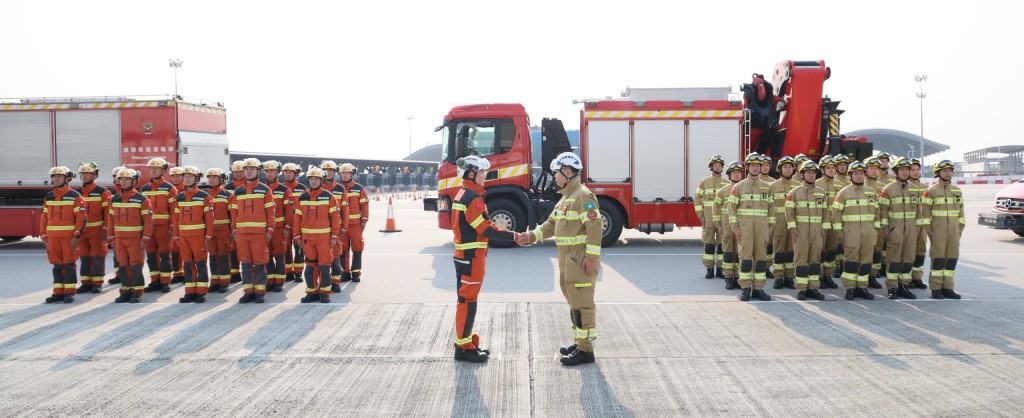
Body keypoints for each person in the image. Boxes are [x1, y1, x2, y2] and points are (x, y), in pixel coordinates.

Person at [519, 152, 602, 366]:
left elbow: (595, 227)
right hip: (568, 260)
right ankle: (579, 342)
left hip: (580, 259)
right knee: (574, 303)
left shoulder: (583, 196)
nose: (554, 176)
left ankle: (586, 351)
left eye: (556, 172)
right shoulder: (567, 198)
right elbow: (550, 224)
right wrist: (530, 237)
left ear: (567, 171)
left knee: (583, 305)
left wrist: (592, 257)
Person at [450, 156, 517, 363]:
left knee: (467, 300)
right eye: (482, 173)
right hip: (472, 258)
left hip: (465, 257)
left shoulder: (463, 194)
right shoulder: (473, 199)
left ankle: (467, 342)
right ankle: (463, 348)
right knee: (467, 302)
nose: (485, 178)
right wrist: (515, 236)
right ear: (471, 173)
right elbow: (487, 230)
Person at [727, 152, 775, 302]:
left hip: (762, 229)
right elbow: (731, 208)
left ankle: (759, 289)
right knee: (746, 259)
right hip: (745, 229)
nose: (755, 168)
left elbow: (772, 208)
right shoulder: (738, 187)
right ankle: (746, 289)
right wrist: (735, 227)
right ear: (747, 167)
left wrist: (771, 225)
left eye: (758, 165)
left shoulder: (767, 187)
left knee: (761, 259)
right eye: (752, 165)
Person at [292, 167, 342, 303]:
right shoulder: (302, 198)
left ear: (322, 180)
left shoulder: (329, 197)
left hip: (324, 239)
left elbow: (335, 219)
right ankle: (312, 291)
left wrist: (334, 237)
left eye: (316, 179)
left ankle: (325, 292)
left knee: (324, 267)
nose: (313, 181)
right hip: (307, 240)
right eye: (311, 179)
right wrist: (297, 236)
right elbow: (297, 219)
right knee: (309, 267)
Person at [832, 161, 879, 300]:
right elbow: (836, 213)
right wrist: (839, 232)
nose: (859, 176)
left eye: (861, 173)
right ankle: (850, 288)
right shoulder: (844, 192)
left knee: (866, 261)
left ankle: (862, 287)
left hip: (868, 232)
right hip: (850, 232)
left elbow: (877, 213)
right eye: (856, 174)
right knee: (851, 260)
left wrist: (875, 230)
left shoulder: (871, 192)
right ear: (850, 175)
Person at [230, 158, 275, 304]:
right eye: (246, 169)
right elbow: (234, 213)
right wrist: (234, 230)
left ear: (258, 171)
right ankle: (248, 291)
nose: (248, 171)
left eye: (252, 169)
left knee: (260, 263)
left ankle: (260, 292)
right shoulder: (239, 191)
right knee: (245, 263)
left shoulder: (264, 190)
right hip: (242, 233)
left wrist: (270, 230)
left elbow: (270, 212)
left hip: (259, 233)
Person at [918, 160, 964, 299]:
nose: (948, 173)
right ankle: (936, 288)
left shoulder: (957, 190)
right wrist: (928, 229)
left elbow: (961, 211)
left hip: (954, 230)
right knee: (938, 259)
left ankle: (948, 287)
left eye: (950, 170)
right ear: (937, 173)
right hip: (937, 230)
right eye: (944, 171)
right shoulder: (930, 191)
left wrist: (960, 228)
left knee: (952, 259)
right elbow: (925, 212)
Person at [40, 166, 86, 303]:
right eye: (53, 177)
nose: (55, 179)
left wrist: (77, 236)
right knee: (57, 265)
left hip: (68, 237)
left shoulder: (75, 196)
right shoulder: (49, 196)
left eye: (59, 176)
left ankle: (69, 292)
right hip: (52, 237)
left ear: (67, 179)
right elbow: (44, 216)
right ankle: (58, 292)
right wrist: (43, 234)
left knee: (69, 264)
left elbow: (82, 218)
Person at [107, 169, 153, 303]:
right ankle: (125, 291)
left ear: (134, 181)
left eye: (127, 179)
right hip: (120, 239)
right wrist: (110, 237)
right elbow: (110, 219)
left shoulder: (142, 200)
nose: (123, 182)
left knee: (135, 265)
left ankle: (137, 292)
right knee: (122, 266)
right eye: (121, 179)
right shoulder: (115, 199)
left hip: (135, 239)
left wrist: (145, 238)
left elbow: (148, 222)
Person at [786, 161, 828, 301]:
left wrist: (823, 228)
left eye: (813, 173)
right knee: (801, 260)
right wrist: (792, 228)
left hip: (816, 232)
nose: (811, 175)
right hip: (801, 232)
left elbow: (826, 212)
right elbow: (789, 212)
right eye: (808, 172)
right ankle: (802, 289)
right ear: (802, 174)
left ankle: (813, 288)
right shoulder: (794, 193)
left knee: (815, 260)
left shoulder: (821, 193)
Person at [172, 166, 215, 303]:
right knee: (187, 264)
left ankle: (201, 292)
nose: (187, 179)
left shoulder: (204, 197)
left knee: (200, 264)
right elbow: (176, 218)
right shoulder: (179, 197)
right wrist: (176, 236)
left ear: (196, 179)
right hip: (184, 236)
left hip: (198, 236)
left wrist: (208, 237)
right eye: (185, 177)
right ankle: (189, 292)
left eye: (190, 176)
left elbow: (210, 219)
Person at [878, 157, 919, 300]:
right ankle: (892, 287)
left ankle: (904, 286)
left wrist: (917, 227)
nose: (905, 172)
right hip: (895, 230)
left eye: (907, 169)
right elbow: (882, 211)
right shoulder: (888, 189)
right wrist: (885, 228)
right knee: (893, 259)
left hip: (911, 230)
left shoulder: (914, 189)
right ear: (896, 171)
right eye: (902, 169)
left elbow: (918, 211)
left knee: (908, 259)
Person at [140, 157, 179, 293]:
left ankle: (165, 282)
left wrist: (172, 228)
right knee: (151, 255)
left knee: (164, 254)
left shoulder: (170, 189)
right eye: (151, 168)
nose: (153, 171)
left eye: (156, 168)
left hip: (164, 227)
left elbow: (174, 210)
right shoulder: (144, 188)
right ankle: (154, 280)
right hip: (149, 228)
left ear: (163, 170)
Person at [75, 162, 111, 294]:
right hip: (82, 231)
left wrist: (106, 229)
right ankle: (86, 282)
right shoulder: (77, 193)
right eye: (82, 174)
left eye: (87, 174)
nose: (84, 176)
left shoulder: (102, 192)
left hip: (97, 230)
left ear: (95, 175)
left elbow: (108, 212)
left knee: (97, 256)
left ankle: (97, 283)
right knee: (84, 256)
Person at [695, 155, 731, 279]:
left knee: (722, 244)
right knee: (709, 243)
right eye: (715, 165)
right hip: (708, 218)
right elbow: (697, 198)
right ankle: (709, 269)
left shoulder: (727, 183)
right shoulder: (704, 182)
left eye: (720, 165)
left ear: (722, 168)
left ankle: (720, 269)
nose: (717, 167)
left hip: (722, 219)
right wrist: (701, 215)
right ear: (711, 167)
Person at [262, 161, 294, 292]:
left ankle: (280, 281)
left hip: (279, 229)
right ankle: (270, 280)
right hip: (264, 229)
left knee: (280, 255)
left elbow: (289, 211)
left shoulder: (284, 190)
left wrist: (287, 228)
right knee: (267, 256)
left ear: (277, 172)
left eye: (272, 171)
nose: (269, 174)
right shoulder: (261, 189)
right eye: (267, 171)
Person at [319, 160, 350, 291]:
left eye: (330, 170)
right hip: (320, 229)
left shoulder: (340, 189)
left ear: (334, 172)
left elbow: (345, 211)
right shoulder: (317, 189)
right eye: (325, 170)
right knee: (322, 258)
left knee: (336, 256)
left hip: (335, 229)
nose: (328, 172)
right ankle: (324, 283)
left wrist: (343, 227)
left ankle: (336, 282)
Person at [713, 161, 744, 290]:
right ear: (729, 174)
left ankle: (737, 277)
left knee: (739, 253)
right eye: (734, 173)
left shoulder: (745, 189)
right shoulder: (723, 191)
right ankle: (728, 278)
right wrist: (718, 225)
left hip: (742, 226)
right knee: (728, 253)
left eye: (738, 173)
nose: (736, 175)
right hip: (726, 226)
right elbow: (715, 207)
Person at [770, 156, 798, 289]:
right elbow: (768, 207)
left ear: (794, 168)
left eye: (790, 166)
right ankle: (778, 277)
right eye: (785, 166)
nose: (787, 169)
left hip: (794, 224)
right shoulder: (773, 186)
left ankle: (789, 277)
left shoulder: (798, 186)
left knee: (791, 251)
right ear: (780, 169)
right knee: (779, 251)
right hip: (779, 223)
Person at [339, 163, 370, 282]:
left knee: (357, 248)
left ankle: (356, 272)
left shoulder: (359, 188)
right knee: (343, 249)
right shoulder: (338, 189)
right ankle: (345, 272)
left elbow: (364, 205)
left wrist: (364, 220)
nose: (345, 175)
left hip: (355, 225)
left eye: (347, 173)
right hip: (342, 225)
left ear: (352, 174)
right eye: (342, 173)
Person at [814, 156, 840, 289]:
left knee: (831, 251)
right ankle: (819, 276)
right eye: (828, 168)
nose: (831, 170)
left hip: (834, 224)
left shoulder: (840, 185)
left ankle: (828, 276)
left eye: (833, 168)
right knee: (820, 250)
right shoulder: (816, 184)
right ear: (822, 169)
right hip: (820, 224)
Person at [206, 168, 233, 293]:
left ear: (221, 179)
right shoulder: (205, 195)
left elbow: (232, 214)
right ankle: (215, 281)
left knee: (223, 256)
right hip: (210, 232)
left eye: (214, 177)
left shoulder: (228, 195)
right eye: (210, 177)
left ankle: (224, 282)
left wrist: (233, 230)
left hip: (224, 230)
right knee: (212, 257)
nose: (211, 180)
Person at [282, 163, 308, 283]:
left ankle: (298, 272)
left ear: (295, 174)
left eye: (290, 172)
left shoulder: (302, 189)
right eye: (286, 172)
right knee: (286, 249)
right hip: (285, 224)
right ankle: (288, 272)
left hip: (299, 223)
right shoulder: (280, 188)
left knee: (298, 248)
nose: (288, 174)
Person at [906, 158, 930, 290]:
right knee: (909, 251)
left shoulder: (926, 188)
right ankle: (907, 278)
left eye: (917, 170)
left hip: (922, 226)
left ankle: (917, 277)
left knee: (921, 251)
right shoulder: (905, 187)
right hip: (909, 225)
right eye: (912, 170)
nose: (915, 172)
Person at [863, 157, 886, 289]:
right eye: (871, 168)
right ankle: (862, 278)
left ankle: (872, 276)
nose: (874, 171)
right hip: (863, 225)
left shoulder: (883, 188)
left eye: (876, 168)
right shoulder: (857, 186)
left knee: (877, 251)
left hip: (878, 226)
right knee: (863, 252)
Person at [225, 160, 246, 283]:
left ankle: (248, 273)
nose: (238, 174)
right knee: (233, 249)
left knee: (244, 250)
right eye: (235, 172)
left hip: (244, 222)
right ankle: (234, 273)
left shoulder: (248, 186)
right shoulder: (228, 188)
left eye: (240, 171)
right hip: (231, 221)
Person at [166, 166, 187, 284]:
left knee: (185, 251)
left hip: (185, 223)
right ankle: (178, 273)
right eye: (173, 176)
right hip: (173, 222)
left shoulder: (187, 189)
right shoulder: (170, 190)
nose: (175, 178)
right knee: (174, 250)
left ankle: (186, 273)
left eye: (178, 176)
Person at [107, 166, 127, 285]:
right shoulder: (113, 194)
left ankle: (123, 276)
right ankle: (118, 274)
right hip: (117, 230)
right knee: (116, 254)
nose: (117, 179)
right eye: (115, 177)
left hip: (128, 231)